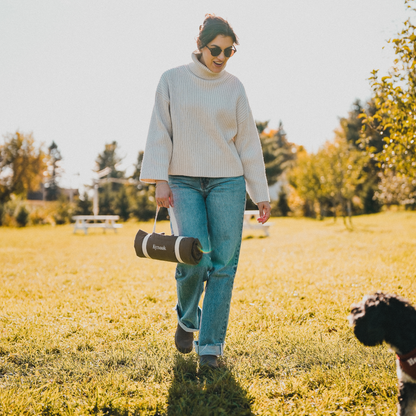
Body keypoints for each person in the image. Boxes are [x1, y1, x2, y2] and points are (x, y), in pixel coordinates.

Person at [140, 14, 271, 368]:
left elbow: (248, 142)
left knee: (224, 265)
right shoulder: (172, 80)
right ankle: (186, 318)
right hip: (181, 180)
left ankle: (210, 347)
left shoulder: (234, 87)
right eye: (216, 49)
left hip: (227, 181)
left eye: (230, 51)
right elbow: (159, 130)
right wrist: (159, 179)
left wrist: (260, 192)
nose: (222, 57)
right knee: (193, 255)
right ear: (201, 46)